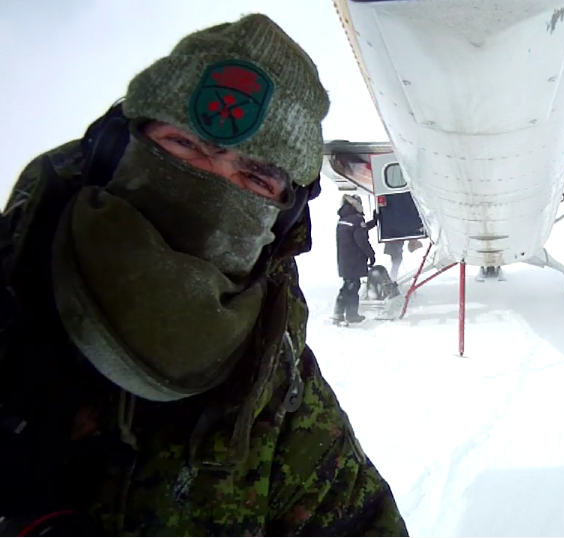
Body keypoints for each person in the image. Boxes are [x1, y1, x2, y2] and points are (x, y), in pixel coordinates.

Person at [0, 14, 407, 536]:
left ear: (281, 221)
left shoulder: (287, 417)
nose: (208, 185)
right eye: (183, 146)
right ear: (116, 149)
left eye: (255, 176)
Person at [335, 194, 377, 323]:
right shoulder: (356, 220)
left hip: (344, 259)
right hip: (354, 259)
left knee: (349, 284)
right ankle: (348, 314)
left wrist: (373, 223)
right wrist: (371, 254)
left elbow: (359, 229)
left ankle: (343, 313)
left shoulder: (345, 219)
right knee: (352, 286)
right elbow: (361, 240)